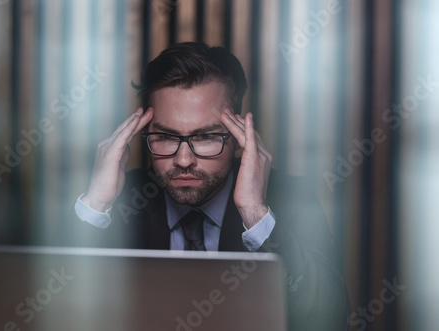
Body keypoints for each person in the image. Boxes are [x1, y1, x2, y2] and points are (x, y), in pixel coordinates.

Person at [54, 42, 350, 330]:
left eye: (206, 137)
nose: (184, 160)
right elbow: (46, 312)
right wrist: (95, 205)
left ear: (237, 137)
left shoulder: (291, 199)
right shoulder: (119, 200)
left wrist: (256, 215)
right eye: (167, 137)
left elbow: (330, 320)